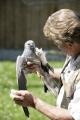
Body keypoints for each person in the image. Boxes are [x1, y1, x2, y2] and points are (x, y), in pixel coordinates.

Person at [10, 9, 80, 120]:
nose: (58, 47)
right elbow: (70, 75)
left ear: (69, 44)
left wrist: (34, 102)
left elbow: (71, 117)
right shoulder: (75, 53)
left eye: (57, 43)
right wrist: (43, 70)